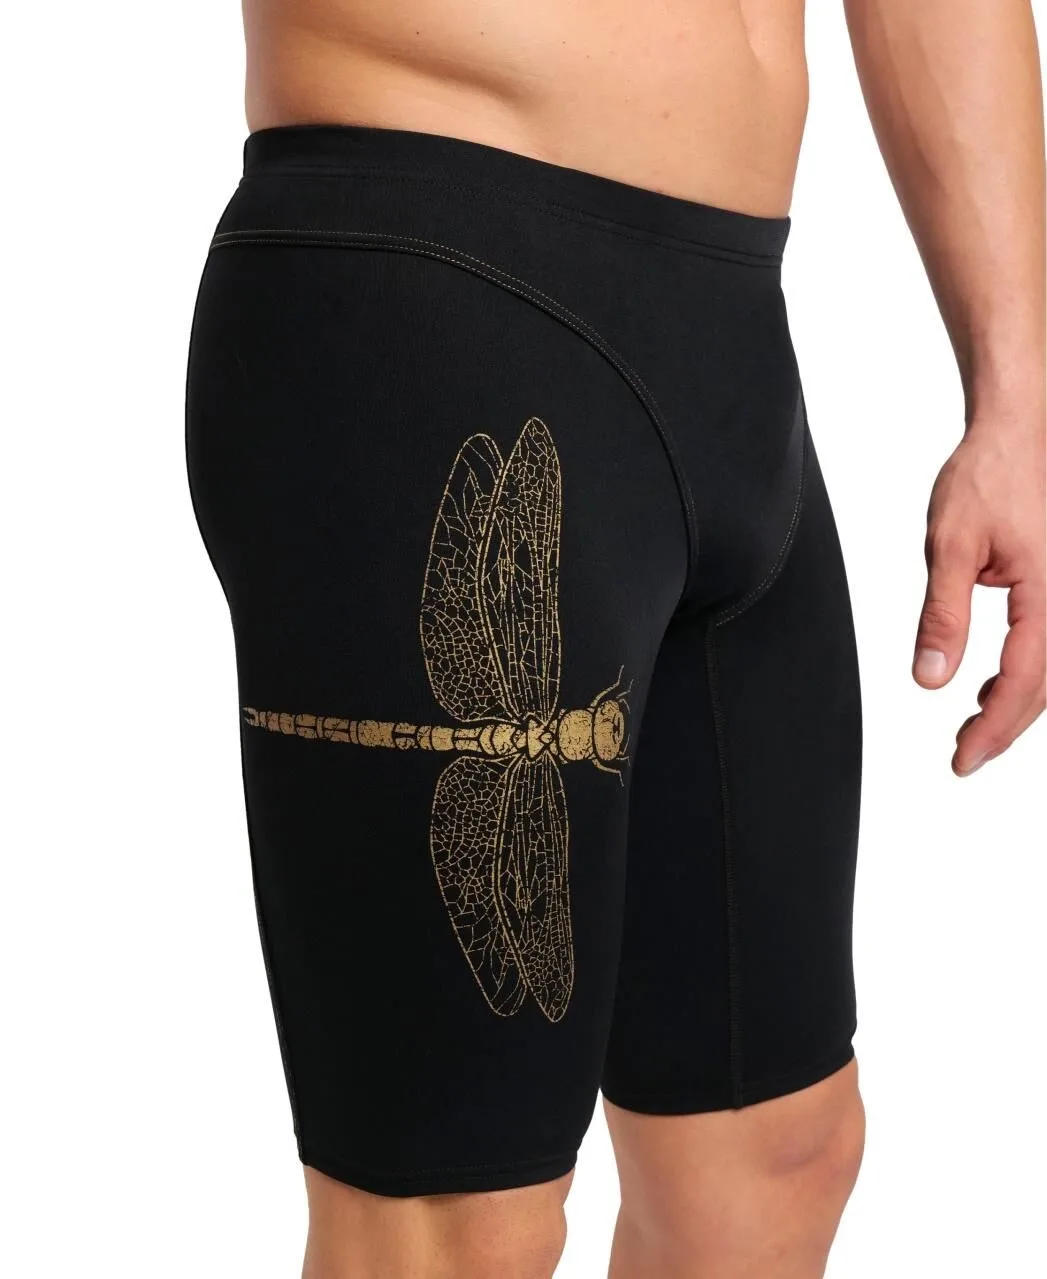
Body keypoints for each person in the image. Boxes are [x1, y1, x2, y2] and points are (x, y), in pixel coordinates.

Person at [185, 2, 1046, 1275]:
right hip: (435, 277)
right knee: (457, 1230)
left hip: (733, 329)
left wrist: (1018, 395)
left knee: (775, 1152)